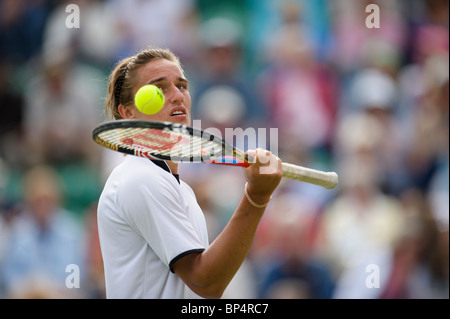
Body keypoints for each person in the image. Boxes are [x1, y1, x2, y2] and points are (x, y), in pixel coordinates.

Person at [97, 47, 282, 299]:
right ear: (129, 113)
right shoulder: (141, 179)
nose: (177, 96)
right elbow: (205, 282)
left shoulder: (179, 188)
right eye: (159, 88)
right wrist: (256, 198)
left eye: (182, 86)